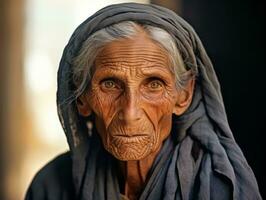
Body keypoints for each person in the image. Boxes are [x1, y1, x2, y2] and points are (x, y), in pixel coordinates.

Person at [25, 3, 262, 200]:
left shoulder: (219, 189)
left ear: (184, 96)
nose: (130, 113)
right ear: (82, 98)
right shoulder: (51, 187)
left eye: (154, 84)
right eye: (109, 84)